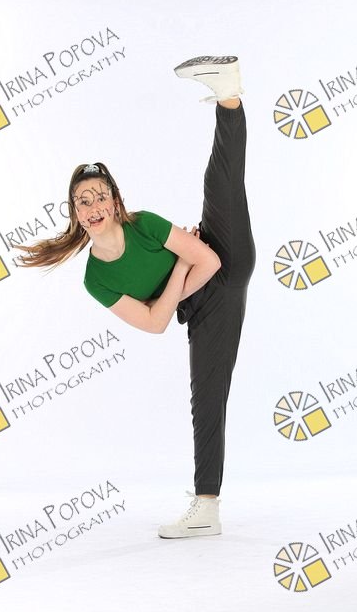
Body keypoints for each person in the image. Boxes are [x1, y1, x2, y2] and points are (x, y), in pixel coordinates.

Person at [19, 56, 255, 538]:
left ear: (114, 201)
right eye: (83, 200)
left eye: (99, 196)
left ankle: (228, 95)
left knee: (221, 183)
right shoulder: (96, 279)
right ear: (74, 212)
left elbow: (211, 262)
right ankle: (207, 508)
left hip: (226, 256)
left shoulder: (142, 223)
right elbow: (154, 323)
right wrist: (182, 266)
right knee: (207, 399)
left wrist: (180, 276)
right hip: (205, 306)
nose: (93, 206)